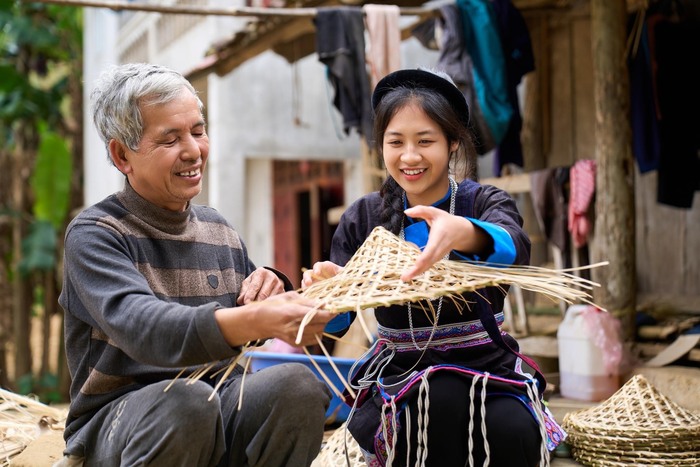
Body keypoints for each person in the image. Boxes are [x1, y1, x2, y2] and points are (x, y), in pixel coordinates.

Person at [57, 62, 334, 467]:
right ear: (122, 155)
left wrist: (273, 283)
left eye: (198, 131)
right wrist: (258, 318)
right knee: (187, 402)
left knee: (298, 385)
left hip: (217, 404)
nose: (193, 150)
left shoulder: (216, 227)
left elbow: (247, 319)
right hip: (123, 422)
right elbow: (145, 328)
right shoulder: (95, 234)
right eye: (170, 139)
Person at [302, 68, 565, 466]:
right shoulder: (364, 218)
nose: (409, 156)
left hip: (485, 365)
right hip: (401, 374)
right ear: (382, 145)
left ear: (453, 142)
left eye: (425, 141)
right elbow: (337, 325)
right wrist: (329, 292)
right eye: (396, 142)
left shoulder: (482, 203)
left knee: (513, 431)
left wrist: (462, 233)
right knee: (433, 402)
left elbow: (516, 249)